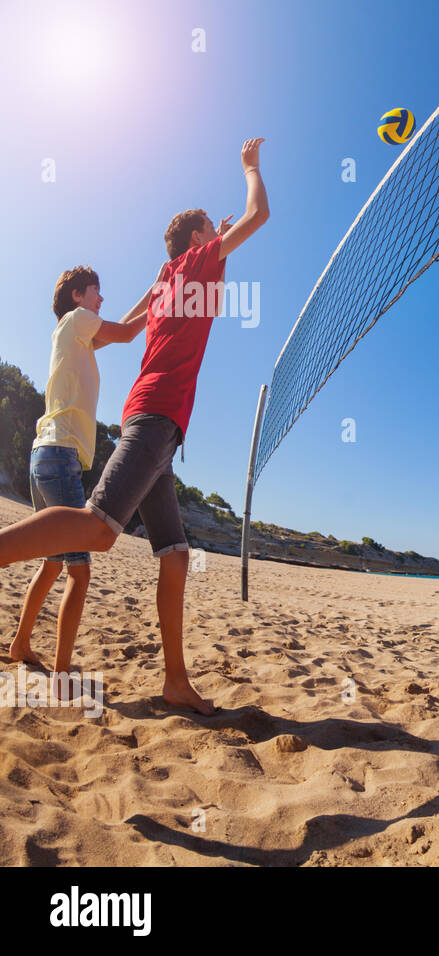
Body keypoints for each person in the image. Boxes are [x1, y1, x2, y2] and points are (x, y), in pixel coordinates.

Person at [0, 137, 270, 715]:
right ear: (199, 241)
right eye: (207, 232)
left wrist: (196, 247)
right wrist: (249, 168)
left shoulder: (175, 277)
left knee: (174, 555)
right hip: (153, 417)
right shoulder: (191, 267)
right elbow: (258, 216)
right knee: (99, 529)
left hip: (158, 427)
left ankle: (175, 680)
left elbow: (138, 318)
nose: (213, 240)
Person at [7, 264, 161, 676]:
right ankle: (61, 673)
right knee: (80, 570)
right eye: (97, 291)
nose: (101, 298)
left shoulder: (74, 333)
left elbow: (124, 325)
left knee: (53, 563)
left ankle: (21, 644)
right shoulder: (77, 321)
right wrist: (162, 297)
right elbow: (129, 332)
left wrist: (154, 288)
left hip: (45, 455)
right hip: (59, 456)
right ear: (77, 295)